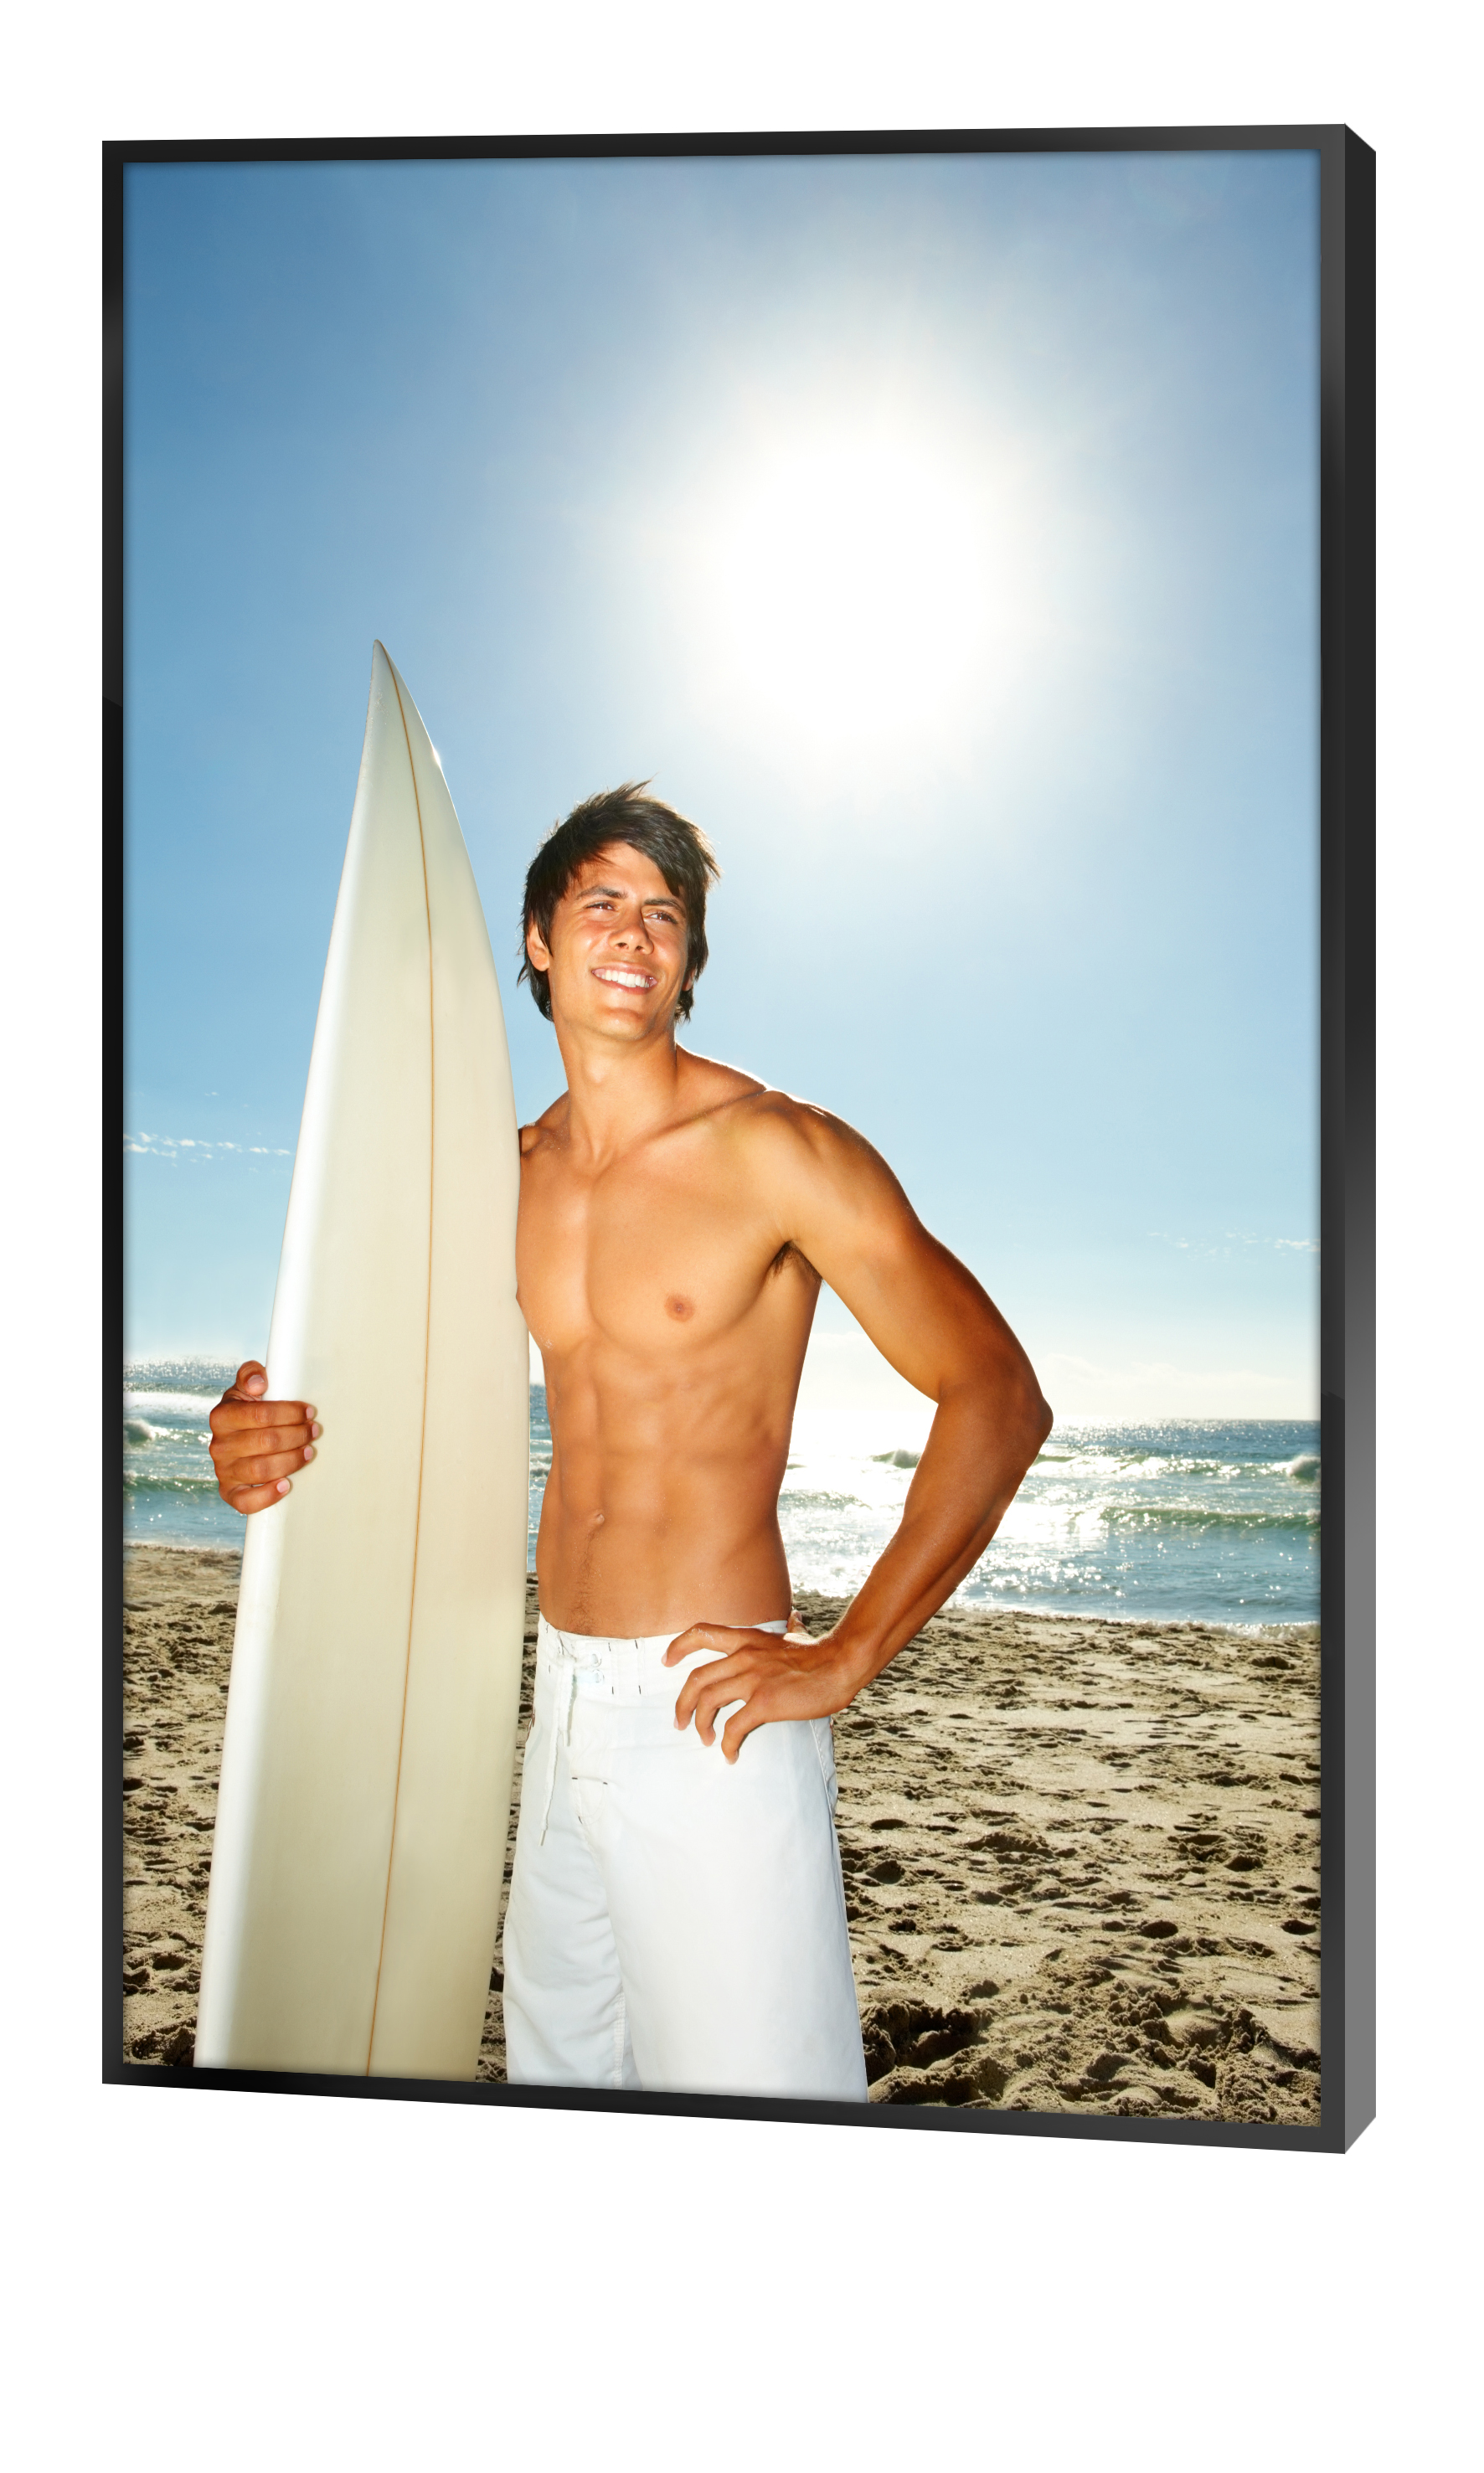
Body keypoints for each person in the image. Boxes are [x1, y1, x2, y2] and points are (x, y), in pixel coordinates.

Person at [209, 784, 1052, 2101]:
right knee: (569, 2089)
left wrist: (845, 1655)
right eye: (601, 900)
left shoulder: (777, 1150)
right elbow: (388, 1400)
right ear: (539, 939)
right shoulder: (498, 1176)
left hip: (711, 1707)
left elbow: (997, 1394)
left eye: (665, 913)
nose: (634, 930)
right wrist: (260, 1441)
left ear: (690, 958)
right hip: (552, 1708)